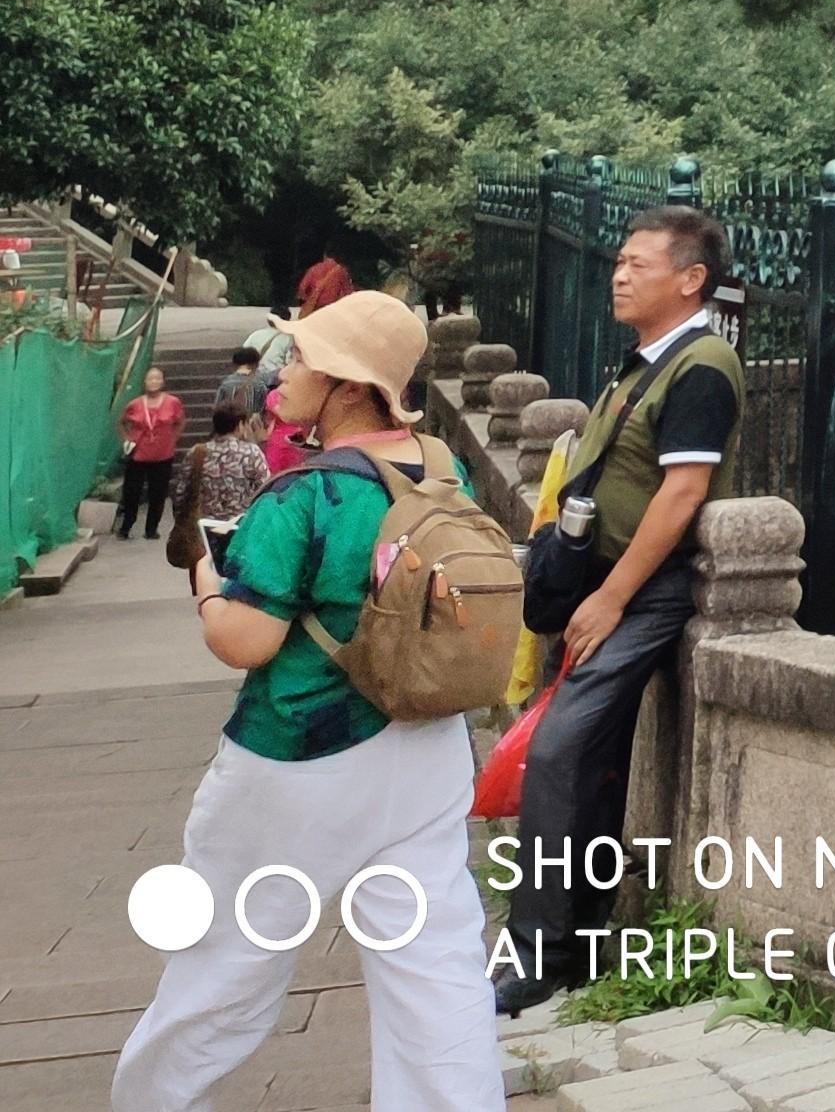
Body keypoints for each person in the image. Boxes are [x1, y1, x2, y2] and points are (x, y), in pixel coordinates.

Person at [111, 291, 506, 1112]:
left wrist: (204, 583)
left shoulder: (305, 497)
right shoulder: (441, 468)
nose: (281, 372)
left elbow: (246, 641)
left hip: (298, 756)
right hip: (425, 748)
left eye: (300, 360)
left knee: (224, 959)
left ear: (350, 385)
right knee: (434, 970)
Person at [501, 204, 742, 1012]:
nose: (619, 273)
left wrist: (610, 597)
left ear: (690, 278)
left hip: (645, 591)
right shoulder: (640, 363)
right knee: (592, 769)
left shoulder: (701, 365)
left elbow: (682, 492)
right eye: (618, 261)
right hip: (606, 586)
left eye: (639, 262)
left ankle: (536, 959)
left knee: (560, 755)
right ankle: (584, 946)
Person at [168, 399, 271, 568]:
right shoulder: (252, 453)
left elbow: (180, 495)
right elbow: (266, 490)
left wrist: (182, 521)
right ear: (240, 425)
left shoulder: (197, 452)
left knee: (205, 578)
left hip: (203, 533)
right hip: (241, 530)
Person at [112, 369, 184, 538]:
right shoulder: (135, 404)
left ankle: (151, 529)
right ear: (144, 382)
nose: (154, 381)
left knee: (158, 493)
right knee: (132, 492)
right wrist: (127, 440)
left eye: (157, 378)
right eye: (150, 378)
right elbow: (121, 423)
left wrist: (172, 440)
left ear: (163, 381)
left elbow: (180, 423)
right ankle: (126, 526)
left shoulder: (173, 402)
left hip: (163, 455)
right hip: (138, 455)